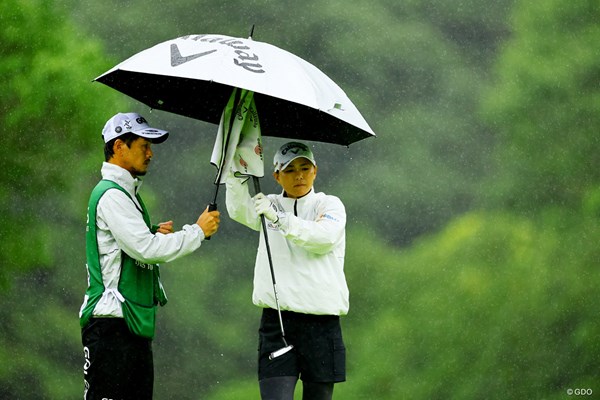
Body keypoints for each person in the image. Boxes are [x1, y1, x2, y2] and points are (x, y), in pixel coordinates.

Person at [79, 112, 220, 400]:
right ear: (119, 147)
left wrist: (152, 232)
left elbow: (133, 246)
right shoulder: (113, 195)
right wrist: (197, 232)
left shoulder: (126, 194)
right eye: (144, 146)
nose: (150, 153)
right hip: (111, 326)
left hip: (129, 325)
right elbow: (146, 249)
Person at [225, 141, 348, 400]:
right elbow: (237, 209)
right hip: (277, 322)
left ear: (315, 170)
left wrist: (278, 219)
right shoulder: (267, 204)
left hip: (321, 323)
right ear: (276, 176)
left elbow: (322, 238)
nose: (299, 175)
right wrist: (237, 169)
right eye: (290, 170)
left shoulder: (329, 205)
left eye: (305, 168)